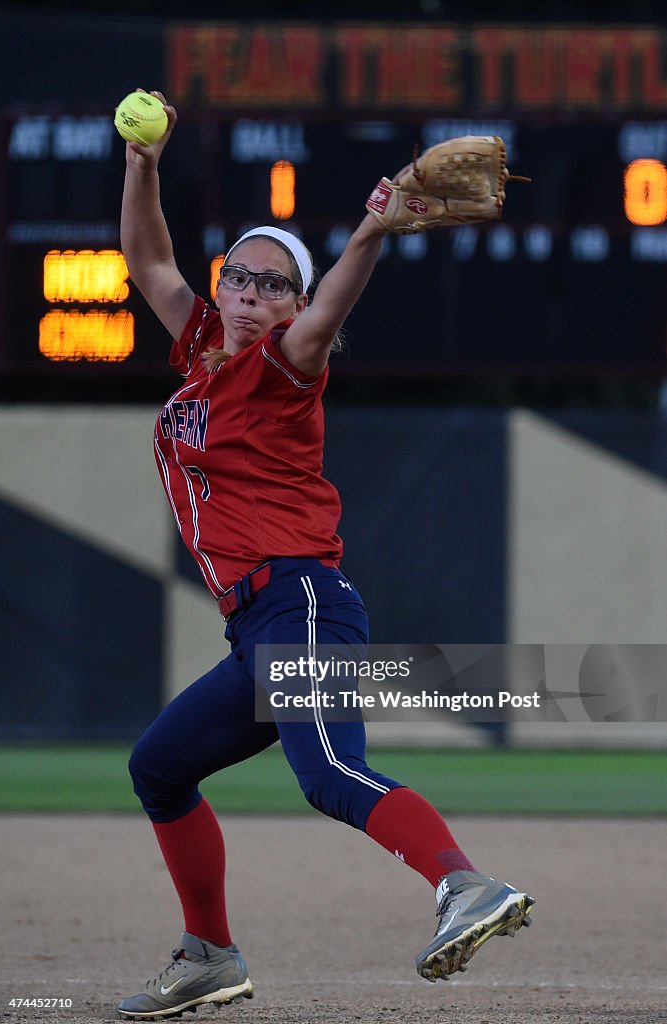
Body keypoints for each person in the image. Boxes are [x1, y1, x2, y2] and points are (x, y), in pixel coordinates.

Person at [116, 90, 535, 1021]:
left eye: (275, 284)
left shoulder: (283, 363)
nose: (253, 293)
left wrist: (370, 233)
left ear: (295, 304)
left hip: (300, 603)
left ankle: (462, 885)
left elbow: (330, 307)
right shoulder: (198, 353)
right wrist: (143, 165)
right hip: (259, 627)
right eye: (241, 276)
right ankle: (209, 954)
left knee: (330, 775)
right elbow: (147, 258)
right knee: (159, 768)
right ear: (220, 285)